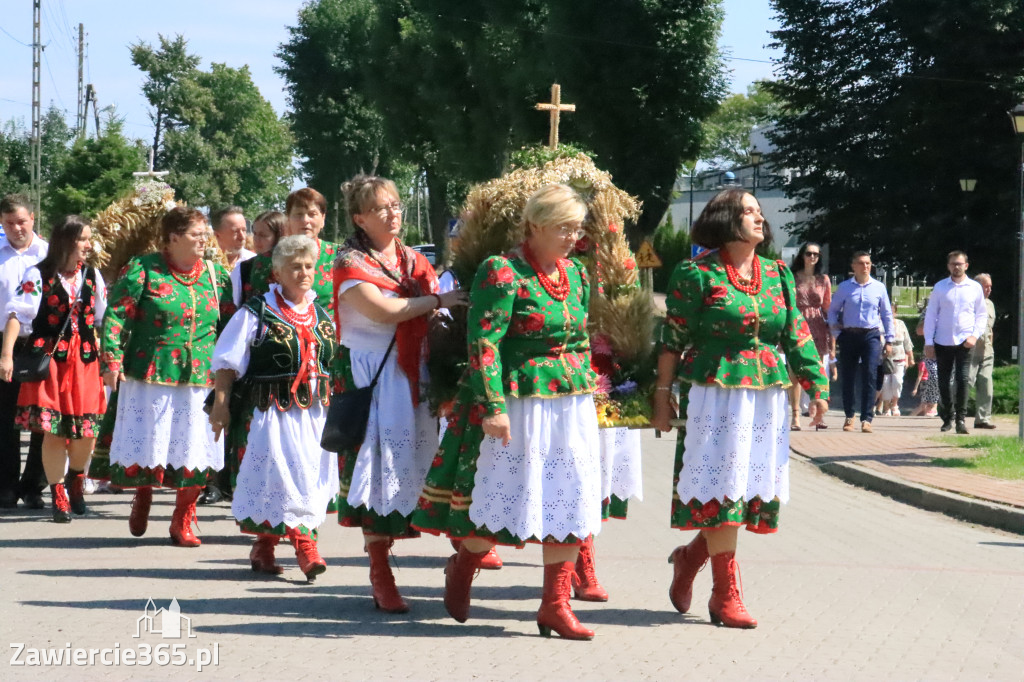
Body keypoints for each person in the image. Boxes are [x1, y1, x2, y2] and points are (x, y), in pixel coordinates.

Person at [412, 184, 604, 641]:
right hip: (519, 402)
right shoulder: (502, 271)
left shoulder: (576, 274)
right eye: (563, 227)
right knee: (502, 498)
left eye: (577, 228)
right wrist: (493, 407)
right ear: (535, 224)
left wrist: (592, 391)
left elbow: (580, 339)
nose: (573, 237)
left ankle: (555, 605)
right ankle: (464, 565)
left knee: (569, 497)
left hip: (568, 403)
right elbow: (484, 343)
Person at [652, 188, 829, 630]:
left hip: (766, 393)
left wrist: (816, 384)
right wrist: (662, 393)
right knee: (721, 489)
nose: (758, 218)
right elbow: (672, 340)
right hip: (714, 390)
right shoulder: (695, 274)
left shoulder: (777, 274)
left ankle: (691, 558)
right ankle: (724, 594)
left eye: (758, 211)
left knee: (743, 490)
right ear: (727, 220)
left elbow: (796, 333)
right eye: (748, 211)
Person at [332, 174, 467, 613]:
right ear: (359, 218)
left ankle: (464, 553)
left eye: (396, 205)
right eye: (380, 208)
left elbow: (435, 313)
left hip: (415, 372)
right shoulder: (350, 262)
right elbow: (385, 311)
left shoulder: (413, 260)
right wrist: (439, 303)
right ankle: (380, 571)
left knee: (426, 463)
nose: (393, 213)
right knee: (379, 467)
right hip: (372, 375)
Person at [100, 206, 233, 546]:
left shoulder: (217, 276)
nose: (203, 240)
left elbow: (229, 326)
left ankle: (182, 519)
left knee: (196, 449)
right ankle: (143, 493)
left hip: (200, 376)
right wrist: (111, 360)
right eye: (195, 234)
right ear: (173, 238)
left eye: (205, 234)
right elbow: (116, 315)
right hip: (150, 372)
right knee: (150, 442)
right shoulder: (143, 269)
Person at [210, 235, 339, 580]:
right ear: (278, 274)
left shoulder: (321, 313)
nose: (303, 273)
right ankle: (305, 547)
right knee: (280, 477)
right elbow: (226, 362)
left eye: (309, 266)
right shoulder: (257, 311)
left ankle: (264, 546)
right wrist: (221, 406)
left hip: (313, 414)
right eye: (294, 267)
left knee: (308, 478)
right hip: (269, 412)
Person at [0, 216, 106, 522]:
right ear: (69, 241)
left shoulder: (92, 275)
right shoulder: (39, 273)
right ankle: (58, 493)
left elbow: (103, 318)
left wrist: (111, 354)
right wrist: (7, 355)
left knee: (87, 432)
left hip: (84, 362)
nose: (89, 245)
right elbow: (17, 315)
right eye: (84, 239)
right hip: (52, 363)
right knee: (53, 432)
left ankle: (75, 481)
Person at [0, 194, 48, 509]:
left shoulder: (49, 254)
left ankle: (34, 486)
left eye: (21, 221)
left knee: (41, 418)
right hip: (4, 341)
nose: (17, 228)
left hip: (41, 342)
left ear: (33, 218)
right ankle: (5, 486)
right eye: (9, 223)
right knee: (4, 417)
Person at [827, 251, 894, 433]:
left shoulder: (879, 287)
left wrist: (889, 339)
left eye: (868, 263)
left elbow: (887, 314)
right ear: (853, 266)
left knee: (870, 375)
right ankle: (849, 415)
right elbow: (832, 311)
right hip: (849, 335)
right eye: (861, 263)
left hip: (870, 335)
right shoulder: (845, 287)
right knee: (848, 376)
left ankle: (867, 418)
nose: (865, 266)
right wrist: (836, 330)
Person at [922, 251, 988, 434]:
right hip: (943, 340)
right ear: (948, 266)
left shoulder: (974, 288)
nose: (956, 267)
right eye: (953, 264)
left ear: (966, 265)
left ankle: (960, 419)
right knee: (943, 382)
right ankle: (947, 417)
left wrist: (974, 335)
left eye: (959, 263)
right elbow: (931, 315)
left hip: (964, 341)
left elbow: (981, 314)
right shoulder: (941, 287)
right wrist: (929, 341)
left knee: (962, 379)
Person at [244, 189, 338, 314]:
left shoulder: (339, 256)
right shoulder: (267, 260)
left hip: (329, 331)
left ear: (323, 219)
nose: (305, 220)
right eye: (298, 214)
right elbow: (255, 310)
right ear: (287, 219)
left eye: (312, 214)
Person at [788, 242, 834, 430]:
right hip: (796, 323)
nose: (812, 257)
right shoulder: (792, 277)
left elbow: (827, 308)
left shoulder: (823, 280)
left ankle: (819, 414)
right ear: (802, 255)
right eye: (809, 253)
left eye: (816, 254)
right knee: (794, 372)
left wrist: (832, 338)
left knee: (817, 371)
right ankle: (796, 415)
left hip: (817, 325)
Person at [968, 273, 996, 429]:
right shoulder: (968, 303)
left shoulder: (990, 304)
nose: (989, 289)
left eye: (990, 286)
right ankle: (953, 414)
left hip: (986, 350)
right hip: (970, 350)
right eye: (986, 286)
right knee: (965, 383)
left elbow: (990, 329)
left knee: (986, 383)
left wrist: (991, 347)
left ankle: (982, 419)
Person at [877, 303, 913, 416]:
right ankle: (886, 407)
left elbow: (907, 341)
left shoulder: (901, 324)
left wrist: (910, 357)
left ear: (895, 313)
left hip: (900, 356)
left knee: (897, 381)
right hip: (885, 357)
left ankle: (895, 404)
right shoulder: (879, 324)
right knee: (886, 383)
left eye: (892, 312)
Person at [211, 206, 255, 272]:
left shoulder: (254, 262)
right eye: (235, 232)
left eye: (244, 230)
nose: (242, 237)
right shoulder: (204, 264)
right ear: (217, 235)